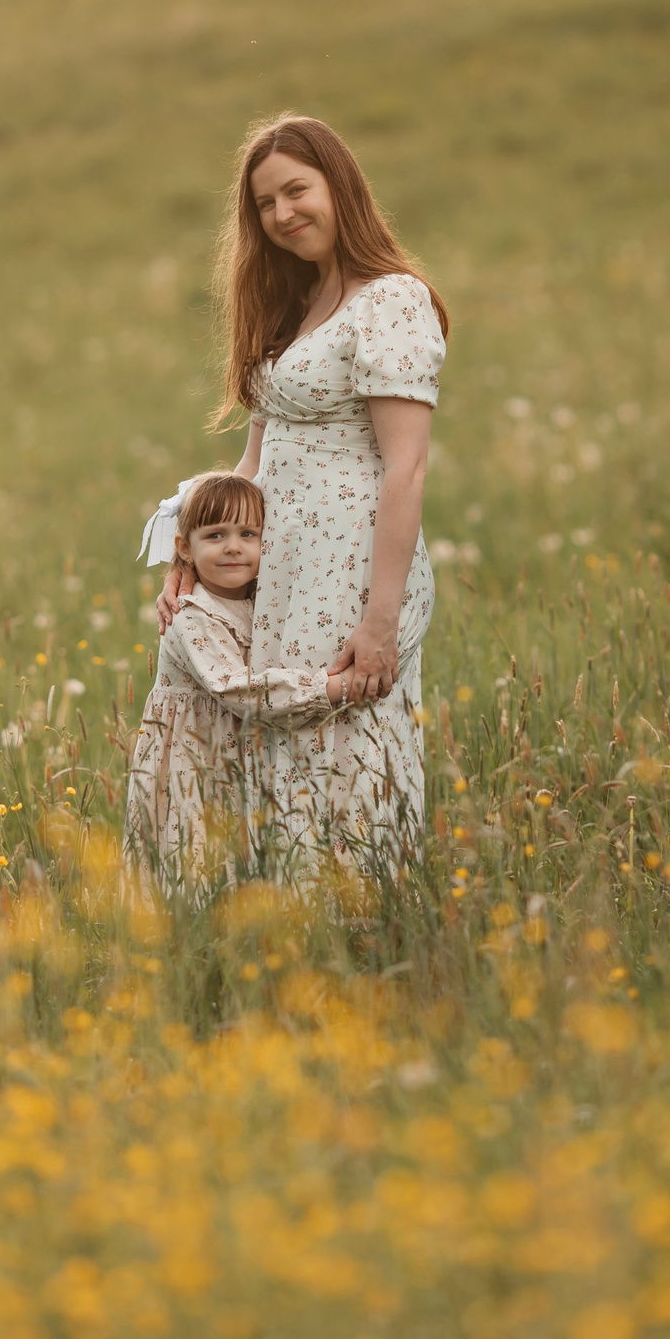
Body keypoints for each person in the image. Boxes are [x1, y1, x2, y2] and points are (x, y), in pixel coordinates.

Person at [154, 114, 447, 880]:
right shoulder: (295, 307)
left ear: (338, 186)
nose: (283, 214)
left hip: (353, 567)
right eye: (264, 204)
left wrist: (379, 617)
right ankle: (287, 932)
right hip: (282, 570)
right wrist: (180, 556)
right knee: (286, 745)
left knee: (345, 751)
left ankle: (364, 926)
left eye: (296, 190)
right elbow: (252, 460)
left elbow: (406, 468)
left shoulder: (391, 300)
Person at [126, 472, 352, 894]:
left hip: (238, 752)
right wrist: (331, 688)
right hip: (196, 757)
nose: (233, 546)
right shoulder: (189, 615)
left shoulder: (265, 602)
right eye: (215, 535)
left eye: (249, 533)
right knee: (197, 848)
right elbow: (238, 689)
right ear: (184, 549)